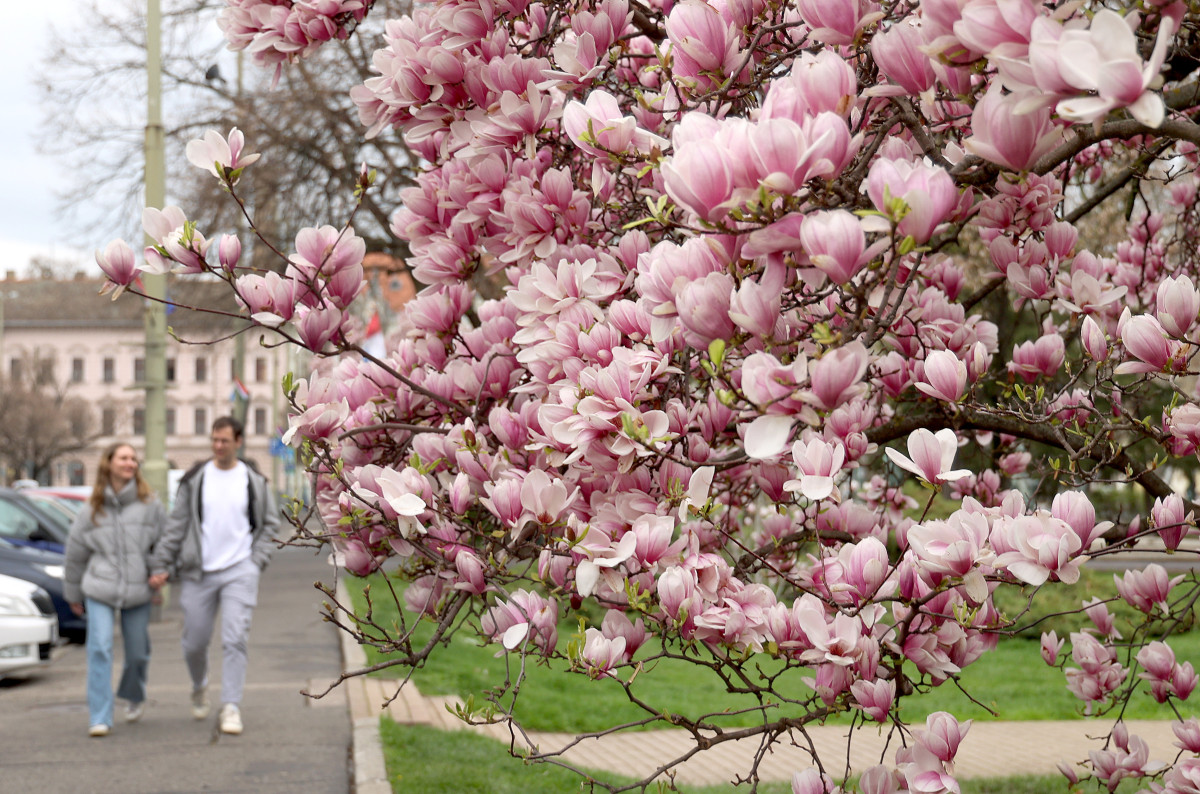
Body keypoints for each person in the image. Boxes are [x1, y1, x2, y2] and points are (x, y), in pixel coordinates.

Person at [149, 416, 279, 735]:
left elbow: (269, 525)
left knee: (235, 638)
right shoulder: (195, 480)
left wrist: (255, 562)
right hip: (199, 572)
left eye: (224, 440)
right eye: (214, 440)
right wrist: (161, 565)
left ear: (238, 441)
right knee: (194, 642)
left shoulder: (253, 481)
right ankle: (199, 684)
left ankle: (231, 705)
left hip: (240, 571)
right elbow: (176, 526)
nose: (218, 446)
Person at [64, 443, 166, 737]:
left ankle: (133, 695)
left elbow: (163, 543)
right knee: (99, 648)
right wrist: (72, 594)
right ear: (109, 463)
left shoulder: (150, 505)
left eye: (134, 458)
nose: (130, 463)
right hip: (100, 587)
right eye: (124, 458)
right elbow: (75, 554)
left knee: (138, 654)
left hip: (137, 588)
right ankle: (100, 716)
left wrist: (159, 570)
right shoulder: (91, 509)